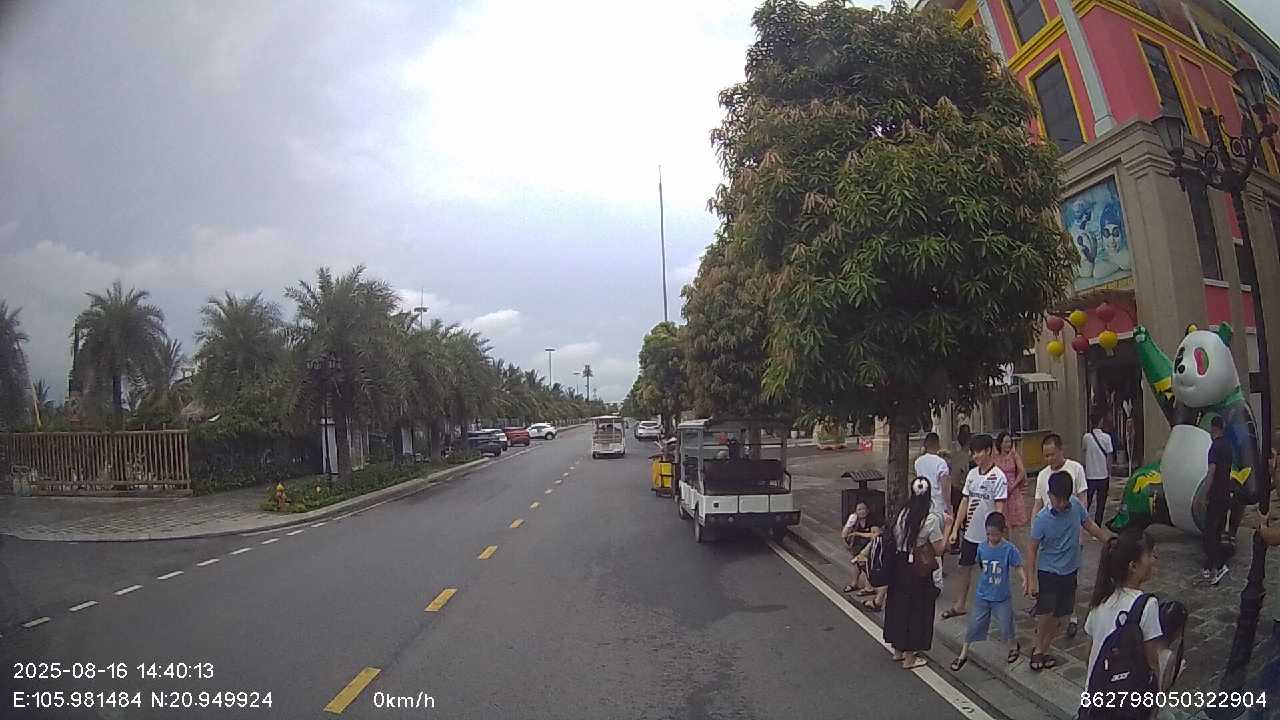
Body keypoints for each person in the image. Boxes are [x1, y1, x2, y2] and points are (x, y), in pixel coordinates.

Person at [1027, 471, 1115, 671]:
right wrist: (1031, 580)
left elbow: (1089, 525)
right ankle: (1038, 649)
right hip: (1049, 572)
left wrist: (1108, 541)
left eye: (1064, 499)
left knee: (1061, 615)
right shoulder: (1042, 519)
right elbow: (1032, 548)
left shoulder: (1075, 506)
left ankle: (1044, 648)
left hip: (1070, 570)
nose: (1061, 504)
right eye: (1057, 499)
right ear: (1050, 495)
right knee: (1046, 614)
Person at [1082, 529, 1165, 714]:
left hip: (1094, 699)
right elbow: (1152, 663)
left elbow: (1089, 654)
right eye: (1150, 555)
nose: (1153, 560)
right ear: (1133, 566)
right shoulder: (1146, 605)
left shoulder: (1101, 598)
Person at [884, 477, 947, 670]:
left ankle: (898, 650)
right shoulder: (930, 519)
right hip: (918, 568)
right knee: (917, 609)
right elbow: (939, 549)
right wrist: (949, 527)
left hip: (900, 564)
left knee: (898, 605)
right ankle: (910, 656)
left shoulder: (903, 513)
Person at [942, 434, 1008, 620]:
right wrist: (955, 529)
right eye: (973, 452)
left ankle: (995, 606)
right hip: (970, 533)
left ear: (989, 451)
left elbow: (1000, 508)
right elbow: (965, 502)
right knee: (964, 567)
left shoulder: (998, 477)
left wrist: (996, 534)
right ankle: (960, 604)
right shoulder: (972, 475)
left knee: (991, 572)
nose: (976, 456)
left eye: (979, 452)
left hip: (989, 536)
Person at [951, 512, 1025, 672]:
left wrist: (1024, 579)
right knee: (974, 624)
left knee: (1006, 625)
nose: (992, 538)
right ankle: (963, 653)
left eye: (995, 535)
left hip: (1001, 596)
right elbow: (980, 564)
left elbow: (1018, 565)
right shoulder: (982, 547)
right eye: (989, 534)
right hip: (983, 594)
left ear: (1003, 532)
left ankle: (1013, 645)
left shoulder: (1008, 549)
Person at [1034, 433, 1090, 638]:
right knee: (1049, 578)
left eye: (1052, 454)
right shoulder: (1042, 476)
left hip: (1071, 533)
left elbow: (1082, 499)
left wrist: (1081, 531)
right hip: (1050, 534)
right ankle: (1048, 616)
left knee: (1070, 577)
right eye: (1046, 456)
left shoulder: (1075, 469)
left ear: (1060, 450)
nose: (1049, 459)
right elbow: (1038, 503)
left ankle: (1070, 616)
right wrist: (1034, 529)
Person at [1202, 416, 1233, 585]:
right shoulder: (1228, 446)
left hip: (1215, 495)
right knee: (1217, 531)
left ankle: (1220, 566)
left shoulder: (1214, 447)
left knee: (1209, 533)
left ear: (1214, 428)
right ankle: (1208, 567)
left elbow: (1211, 472)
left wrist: (1204, 494)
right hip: (1226, 494)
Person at [842, 501, 881, 596]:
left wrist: (858, 534)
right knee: (857, 563)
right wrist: (849, 523)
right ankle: (854, 583)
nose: (862, 511)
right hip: (859, 547)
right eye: (859, 509)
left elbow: (875, 535)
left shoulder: (872, 521)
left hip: (871, 546)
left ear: (867, 510)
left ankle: (869, 587)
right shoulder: (854, 521)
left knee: (864, 563)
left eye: (864, 509)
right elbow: (844, 535)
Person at [1083, 415, 1115, 528]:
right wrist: (1109, 471)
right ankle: (1097, 524)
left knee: (1087, 500)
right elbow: (1109, 457)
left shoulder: (1086, 438)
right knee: (1101, 503)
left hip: (1090, 475)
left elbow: (1084, 451)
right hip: (1103, 475)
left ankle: (1083, 521)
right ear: (1101, 422)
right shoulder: (1106, 437)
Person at [994, 431, 1028, 531]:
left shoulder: (1014, 455)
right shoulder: (995, 457)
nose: (1008, 444)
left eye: (1009, 442)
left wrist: (1013, 486)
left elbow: (1021, 471)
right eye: (1005, 442)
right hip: (1000, 491)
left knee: (1015, 524)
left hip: (1013, 490)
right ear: (1000, 443)